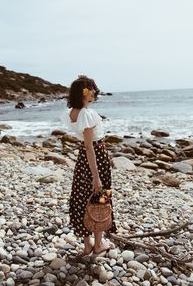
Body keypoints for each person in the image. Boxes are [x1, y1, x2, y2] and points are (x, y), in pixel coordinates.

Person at [61, 75, 116, 255]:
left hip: (83, 159)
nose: (95, 92)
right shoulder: (87, 114)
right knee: (99, 198)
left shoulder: (72, 112)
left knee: (82, 198)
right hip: (95, 157)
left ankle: (87, 245)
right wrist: (96, 176)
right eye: (92, 88)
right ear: (85, 91)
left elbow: (85, 146)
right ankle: (98, 244)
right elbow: (89, 145)